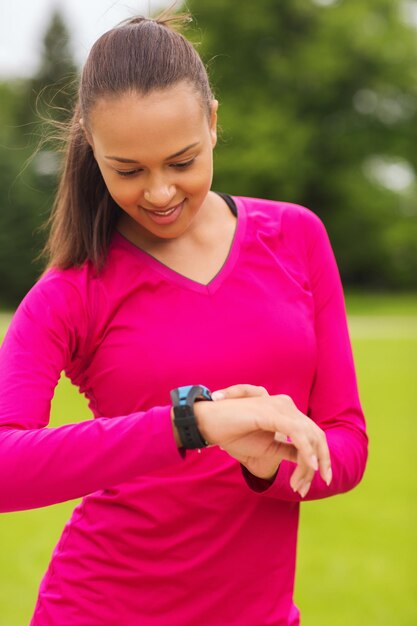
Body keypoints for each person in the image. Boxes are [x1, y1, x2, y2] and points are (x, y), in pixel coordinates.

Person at [0, 11, 368, 626]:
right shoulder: (72, 289)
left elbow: (346, 444)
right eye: (128, 170)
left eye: (181, 161)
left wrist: (266, 464)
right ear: (93, 149)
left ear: (214, 123)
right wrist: (191, 425)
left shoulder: (297, 237)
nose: (160, 192)